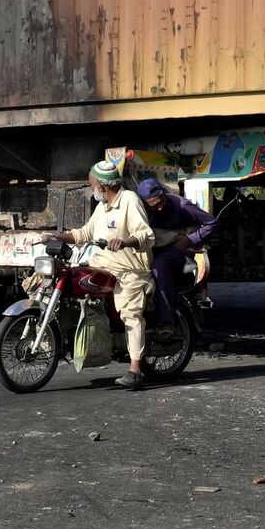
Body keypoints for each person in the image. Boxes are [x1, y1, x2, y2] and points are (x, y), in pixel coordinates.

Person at [65, 160, 156, 390]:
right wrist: (57, 237)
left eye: (92, 184)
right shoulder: (102, 207)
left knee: (130, 314)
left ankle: (135, 369)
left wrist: (124, 241)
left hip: (130, 270)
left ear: (102, 186)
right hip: (102, 265)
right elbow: (85, 232)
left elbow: (146, 234)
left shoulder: (129, 201)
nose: (91, 189)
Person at [135, 177, 218, 325]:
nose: (159, 208)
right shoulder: (141, 211)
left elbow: (211, 223)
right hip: (154, 253)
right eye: (153, 206)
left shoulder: (182, 206)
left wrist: (188, 240)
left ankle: (167, 321)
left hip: (182, 258)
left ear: (163, 194)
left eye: (161, 202)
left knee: (159, 266)